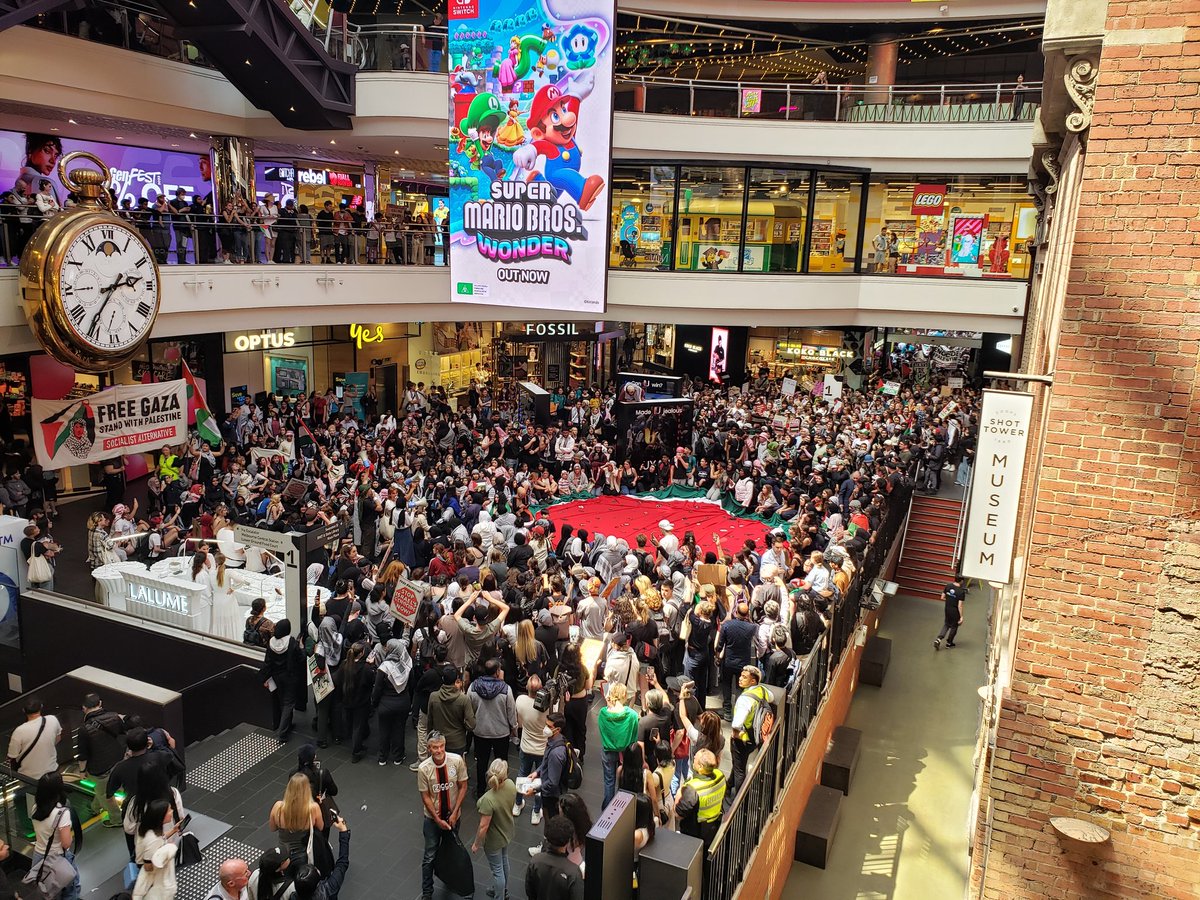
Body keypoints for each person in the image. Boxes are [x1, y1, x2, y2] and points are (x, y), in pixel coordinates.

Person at [417, 732, 468, 900]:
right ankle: (427, 892)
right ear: (429, 748)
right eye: (435, 747)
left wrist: (455, 813)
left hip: (454, 817)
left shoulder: (457, 761)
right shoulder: (424, 769)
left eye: (441, 746)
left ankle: (450, 880)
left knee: (451, 850)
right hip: (432, 820)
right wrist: (437, 819)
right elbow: (425, 796)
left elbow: (463, 786)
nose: (439, 750)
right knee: (429, 855)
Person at [6, 696, 62, 819]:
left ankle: (35, 826)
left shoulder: (19, 732)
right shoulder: (52, 720)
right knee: (54, 801)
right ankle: (57, 823)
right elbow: (58, 738)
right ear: (41, 708)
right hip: (52, 773)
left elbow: (12, 756)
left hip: (29, 778)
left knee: (35, 806)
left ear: (24, 711)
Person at [468, 657, 517, 798]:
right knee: (502, 762)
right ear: (497, 672)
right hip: (501, 733)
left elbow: (469, 709)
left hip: (480, 731)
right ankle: (501, 788)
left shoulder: (473, 687)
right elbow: (511, 712)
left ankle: (480, 789)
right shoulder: (506, 689)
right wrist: (514, 729)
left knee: (481, 762)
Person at [77, 692, 126, 827]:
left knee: (105, 793)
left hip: (99, 768)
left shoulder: (84, 729)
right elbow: (123, 733)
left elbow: (83, 755)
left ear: (84, 708)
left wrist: (82, 772)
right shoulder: (115, 717)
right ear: (100, 704)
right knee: (102, 789)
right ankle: (94, 807)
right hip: (118, 759)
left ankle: (116, 820)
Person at [30, 772, 81, 900]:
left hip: (38, 857)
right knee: (70, 890)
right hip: (58, 858)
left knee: (47, 891)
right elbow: (66, 843)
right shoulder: (62, 813)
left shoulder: (35, 808)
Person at [472, 758, 517, 900]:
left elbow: (483, 826)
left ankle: (499, 896)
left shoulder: (488, 799)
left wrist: (476, 844)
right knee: (504, 861)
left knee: (497, 871)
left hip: (494, 840)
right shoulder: (510, 785)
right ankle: (504, 891)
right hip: (507, 831)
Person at [261, 619, 306, 743]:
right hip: (290, 677)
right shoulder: (291, 642)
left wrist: (265, 678)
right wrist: (302, 647)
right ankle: (282, 733)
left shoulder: (271, 642)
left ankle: (287, 724)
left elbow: (267, 662)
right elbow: (301, 658)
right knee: (289, 703)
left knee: (283, 701)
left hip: (276, 676)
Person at [371, 637, 413, 766]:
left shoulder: (384, 667)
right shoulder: (407, 663)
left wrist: (375, 703)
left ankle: (383, 757)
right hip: (403, 703)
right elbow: (411, 685)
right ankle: (398, 757)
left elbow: (377, 688)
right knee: (399, 730)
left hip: (386, 704)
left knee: (384, 731)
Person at [728, 665, 770, 795]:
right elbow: (772, 698)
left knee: (740, 770)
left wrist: (735, 734)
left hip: (742, 739)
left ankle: (739, 799)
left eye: (744, 677)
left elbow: (737, 723)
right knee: (738, 765)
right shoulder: (763, 691)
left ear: (753, 681)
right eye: (741, 676)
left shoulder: (744, 699)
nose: (740, 679)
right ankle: (729, 786)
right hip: (755, 738)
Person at [269, 773, 324, 870]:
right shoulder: (313, 809)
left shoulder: (278, 807)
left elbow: (272, 828)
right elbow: (321, 827)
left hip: (283, 853)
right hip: (303, 854)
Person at [597, 682, 638, 810]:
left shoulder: (603, 713)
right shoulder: (632, 715)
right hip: (625, 753)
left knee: (609, 782)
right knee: (623, 783)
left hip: (608, 751)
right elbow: (634, 736)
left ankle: (607, 810)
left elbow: (602, 731)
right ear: (624, 695)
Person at [513, 675, 547, 823]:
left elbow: (519, 722)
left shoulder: (520, 701)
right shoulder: (547, 708)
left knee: (523, 774)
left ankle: (518, 803)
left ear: (527, 688)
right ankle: (536, 811)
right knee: (539, 781)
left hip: (526, 746)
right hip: (542, 749)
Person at [290, 815, 349, 900]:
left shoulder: (293, 897)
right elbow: (342, 863)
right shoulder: (329, 888)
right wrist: (343, 831)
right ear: (317, 884)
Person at [525, 815, 584, 900]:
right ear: (568, 841)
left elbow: (530, 891)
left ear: (547, 838)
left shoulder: (535, 861)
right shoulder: (573, 872)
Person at [132, 798, 181, 900]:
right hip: (157, 881)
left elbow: (160, 839)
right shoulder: (153, 840)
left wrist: (174, 830)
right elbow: (148, 867)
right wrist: (166, 853)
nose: (172, 811)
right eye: (169, 810)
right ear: (161, 816)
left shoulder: (149, 829)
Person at [426, 665, 475, 757]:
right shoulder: (463, 699)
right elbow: (471, 725)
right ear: (456, 679)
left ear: (442, 678)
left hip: (438, 740)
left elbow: (429, 721)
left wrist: (429, 737)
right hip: (457, 741)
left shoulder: (433, 696)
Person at [935, 574, 966, 650]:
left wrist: (949, 600)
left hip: (947, 609)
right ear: (961, 581)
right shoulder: (961, 592)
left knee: (946, 624)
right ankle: (949, 643)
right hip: (955, 612)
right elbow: (960, 606)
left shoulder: (948, 586)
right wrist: (961, 616)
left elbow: (942, 597)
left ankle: (938, 639)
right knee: (954, 627)